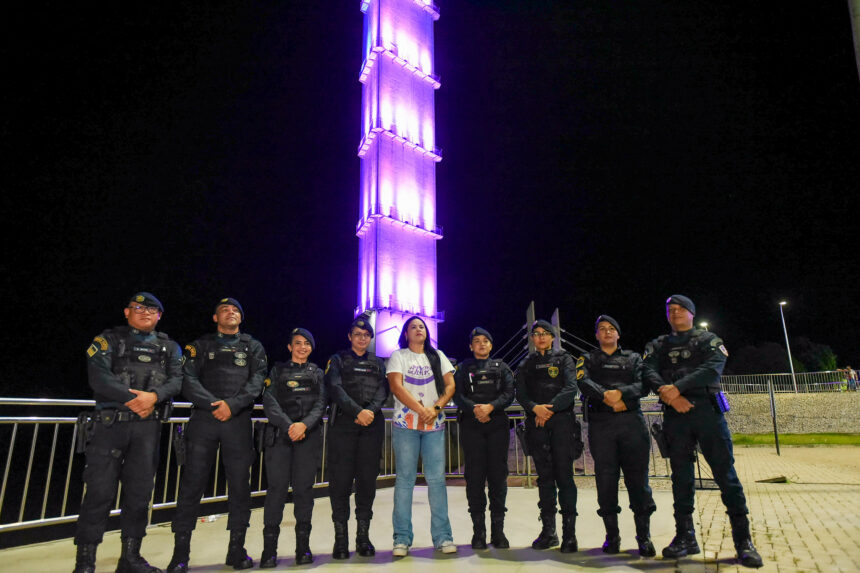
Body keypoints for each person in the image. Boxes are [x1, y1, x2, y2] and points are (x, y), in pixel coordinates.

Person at [643, 295, 763, 568]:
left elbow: (712, 370)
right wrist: (671, 397)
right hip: (676, 414)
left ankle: (743, 541)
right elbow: (648, 372)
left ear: (692, 313)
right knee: (680, 479)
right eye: (670, 310)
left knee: (726, 475)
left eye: (680, 309)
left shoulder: (709, 340)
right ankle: (685, 537)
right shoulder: (658, 345)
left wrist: (677, 387)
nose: (674, 313)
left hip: (707, 412)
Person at [74, 292, 182, 573]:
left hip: (147, 429)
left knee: (139, 495)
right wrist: (137, 400)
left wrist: (155, 396)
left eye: (152, 309)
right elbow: (98, 376)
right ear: (126, 312)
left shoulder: (170, 348)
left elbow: (176, 381)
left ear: (159, 316)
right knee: (98, 492)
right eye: (138, 308)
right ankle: (85, 563)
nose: (145, 312)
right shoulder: (109, 339)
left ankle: (130, 559)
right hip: (111, 425)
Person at [167, 298, 267, 572]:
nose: (231, 312)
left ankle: (236, 550)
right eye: (225, 310)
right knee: (191, 485)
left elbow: (257, 380)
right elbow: (187, 379)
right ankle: (180, 555)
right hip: (204, 420)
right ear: (215, 318)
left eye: (236, 310)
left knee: (240, 487)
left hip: (237, 422)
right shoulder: (199, 345)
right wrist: (215, 404)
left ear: (241, 318)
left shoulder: (253, 346)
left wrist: (232, 405)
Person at [576, 315, 657, 556]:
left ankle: (644, 537)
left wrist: (619, 395)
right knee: (606, 481)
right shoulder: (587, 359)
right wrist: (606, 397)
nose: (607, 332)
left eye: (612, 329)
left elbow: (644, 384)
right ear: (597, 335)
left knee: (639, 482)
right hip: (602, 425)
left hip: (632, 423)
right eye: (602, 329)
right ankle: (612, 537)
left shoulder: (633, 358)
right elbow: (583, 382)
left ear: (618, 334)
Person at [386, 316, 457, 556]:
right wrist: (420, 410)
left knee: (436, 480)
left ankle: (443, 537)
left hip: (433, 427)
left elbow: (450, 386)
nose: (418, 329)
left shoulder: (438, 356)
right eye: (413, 327)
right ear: (406, 333)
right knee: (405, 480)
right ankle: (402, 539)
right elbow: (396, 386)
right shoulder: (399, 356)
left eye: (422, 326)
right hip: (405, 425)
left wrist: (434, 409)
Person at [259, 328, 327, 567]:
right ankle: (269, 551)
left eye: (307, 343)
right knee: (276, 491)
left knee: (304, 491)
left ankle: (303, 548)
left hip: (307, 438)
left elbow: (321, 404)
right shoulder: (277, 371)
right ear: (290, 347)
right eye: (297, 343)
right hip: (280, 437)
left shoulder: (318, 373)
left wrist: (304, 426)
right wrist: (290, 426)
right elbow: (269, 401)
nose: (302, 347)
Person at [324, 316, 388, 559]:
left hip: (371, 426)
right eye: (357, 335)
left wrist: (369, 411)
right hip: (344, 425)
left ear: (370, 338)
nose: (362, 338)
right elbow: (335, 388)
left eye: (366, 335)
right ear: (349, 337)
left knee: (366, 483)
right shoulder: (338, 360)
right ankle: (341, 540)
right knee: (339, 483)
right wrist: (357, 411)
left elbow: (383, 390)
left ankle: (363, 537)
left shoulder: (378, 362)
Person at [515, 319, 579, 553]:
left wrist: (548, 409)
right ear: (532, 338)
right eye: (536, 333)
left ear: (552, 337)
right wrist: (535, 409)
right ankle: (549, 532)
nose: (540, 337)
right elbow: (520, 392)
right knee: (544, 479)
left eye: (545, 333)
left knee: (565, 478)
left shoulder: (565, 359)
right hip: (537, 424)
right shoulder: (526, 364)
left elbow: (571, 388)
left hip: (561, 423)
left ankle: (570, 535)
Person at [453, 327, 515, 549]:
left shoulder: (502, 367)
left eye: (485, 341)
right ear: (471, 346)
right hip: (471, 426)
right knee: (475, 478)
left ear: (491, 345)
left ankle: (498, 532)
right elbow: (457, 394)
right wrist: (475, 409)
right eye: (476, 341)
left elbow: (510, 393)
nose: (481, 344)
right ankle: (478, 533)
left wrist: (491, 407)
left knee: (498, 477)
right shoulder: (462, 368)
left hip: (497, 425)